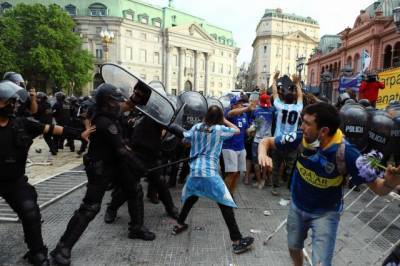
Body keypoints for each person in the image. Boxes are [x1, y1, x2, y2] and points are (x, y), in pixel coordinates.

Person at [258, 102, 400, 266]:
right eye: (302, 121)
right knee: (293, 246)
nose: (301, 127)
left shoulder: (349, 154)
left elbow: (379, 188)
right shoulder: (300, 138)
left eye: (307, 123)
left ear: (323, 131)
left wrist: (391, 182)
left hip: (326, 214)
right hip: (297, 207)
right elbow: (266, 142)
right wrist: (263, 154)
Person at [51, 83, 154, 266]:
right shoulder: (104, 122)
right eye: (115, 101)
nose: (118, 104)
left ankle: (136, 228)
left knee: (134, 189)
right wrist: (141, 167)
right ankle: (62, 248)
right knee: (90, 207)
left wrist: (135, 97)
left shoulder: (109, 114)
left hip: (116, 163)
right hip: (101, 167)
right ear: (106, 102)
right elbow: (121, 149)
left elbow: (125, 108)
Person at [0, 80, 90, 266]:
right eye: (6, 101)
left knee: (30, 212)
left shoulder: (21, 123)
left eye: (12, 101)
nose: (11, 104)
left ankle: (37, 252)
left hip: (14, 181)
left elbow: (53, 129)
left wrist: (79, 134)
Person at [172, 106, 255, 254]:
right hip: (209, 173)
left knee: (191, 197)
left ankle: (179, 224)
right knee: (225, 203)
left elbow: (185, 138)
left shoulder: (197, 127)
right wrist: (224, 120)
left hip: (195, 171)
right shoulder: (219, 129)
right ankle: (237, 241)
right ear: (219, 118)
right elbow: (237, 130)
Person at [269, 72, 303, 195]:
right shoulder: (298, 108)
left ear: (284, 99)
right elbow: (300, 95)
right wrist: (297, 83)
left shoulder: (279, 106)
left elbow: (274, 93)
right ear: (293, 100)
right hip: (292, 140)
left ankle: (275, 188)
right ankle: (290, 188)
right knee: (291, 166)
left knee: (276, 165)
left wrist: (274, 80)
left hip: (278, 140)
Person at [222, 96, 253, 194]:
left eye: (242, 102)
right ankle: (225, 195)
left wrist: (253, 129)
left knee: (239, 173)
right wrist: (248, 108)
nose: (241, 104)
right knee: (232, 172)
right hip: (229, 147)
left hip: (241, 147)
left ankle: (231, 194)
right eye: (239, 103)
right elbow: (232, 113)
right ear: (233, 105)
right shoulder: (229, 113)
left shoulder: (244, 115)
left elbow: (246, 131)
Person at [249, 93, 275, 188]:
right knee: (264, 160)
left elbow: (253, 126)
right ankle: (264, 180)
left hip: (257, 140)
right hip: (267, 141)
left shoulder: (256, 110)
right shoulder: (272, 110)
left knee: (256, 162)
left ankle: (259, 182)